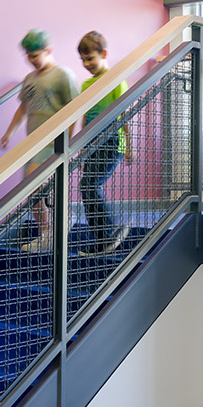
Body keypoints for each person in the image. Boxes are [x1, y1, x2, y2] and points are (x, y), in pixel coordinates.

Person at [0, 29, 79, 253]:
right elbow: (23, 108)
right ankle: (54, 227)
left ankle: (50, 232)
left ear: (48, 51)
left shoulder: (63, 75)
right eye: (28, 55)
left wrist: (67, 141)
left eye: (35, 55)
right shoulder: (29, 79)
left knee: (33, 186)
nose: (32, 60)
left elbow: (74, 109)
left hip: (52, 142)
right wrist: (9, 133)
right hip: (32, 143)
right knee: (33, 190)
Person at [77, 30, 131, 255]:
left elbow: (125, 113)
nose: (86, 63)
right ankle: (103, 237)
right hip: (92, 146)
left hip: (111, 144)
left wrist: (129, 147)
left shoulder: (115, 80)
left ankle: (107, 234)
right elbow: (85, 117)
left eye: (90, 58)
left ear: (103, 54)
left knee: (90, 185)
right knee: (85, 186)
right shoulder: (86, 85)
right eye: (83, 60)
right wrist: (81, 148)